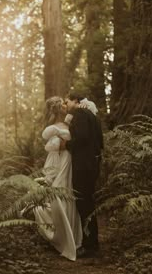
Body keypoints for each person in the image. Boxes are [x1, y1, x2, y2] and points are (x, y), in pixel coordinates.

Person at [34, 96, 83, 261]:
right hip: (59, 160)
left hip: (69, 160)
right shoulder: (52, 127)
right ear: (57, 109)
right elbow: (50, 144)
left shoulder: (71, 123)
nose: (64, 106)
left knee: (67, 192)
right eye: (61, 104)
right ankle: (61, 235)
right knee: (57, 193)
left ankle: (73, 237)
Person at [60, 92, 103, 258]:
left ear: (75, 101)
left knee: (83, 203)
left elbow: (82, 137)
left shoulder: (79, 113)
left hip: (83, 165)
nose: (65, 105)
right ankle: (92, 242)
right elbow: (99, 140)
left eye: (67, 101)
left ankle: (89, 245)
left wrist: (67, 144)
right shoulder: (92, 114)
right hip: (93, 162)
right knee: (88, 202)